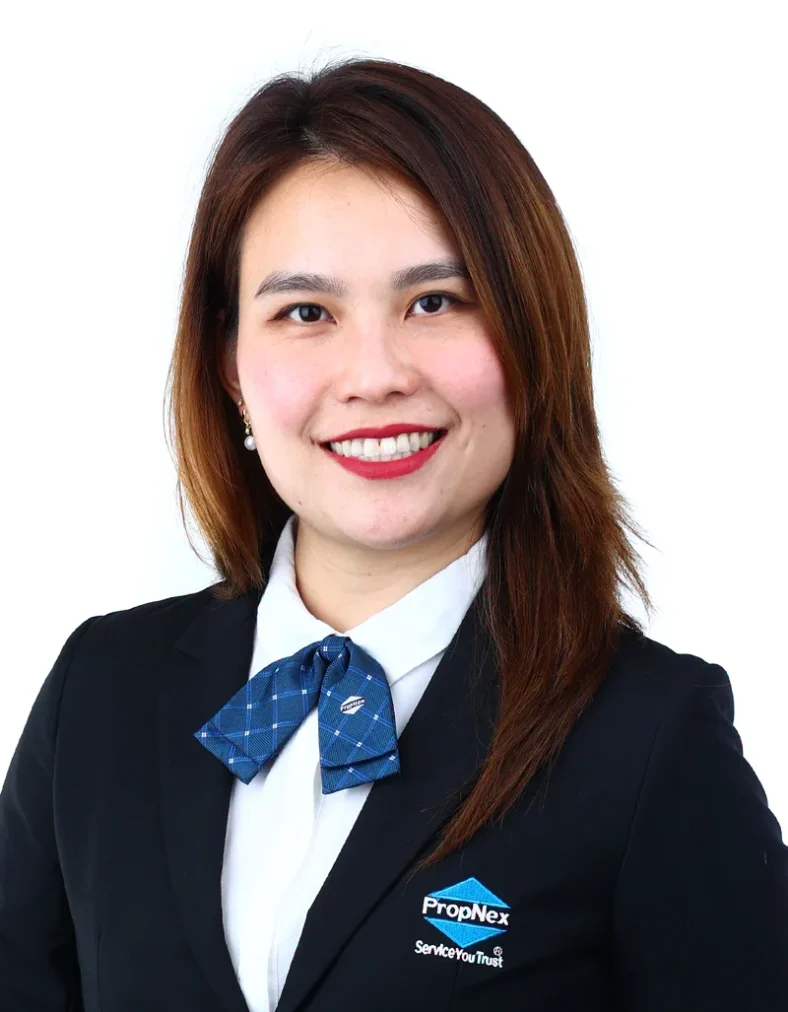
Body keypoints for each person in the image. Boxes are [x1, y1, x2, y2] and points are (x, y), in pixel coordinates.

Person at [1, 55, 786, 1012]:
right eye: (305, 312)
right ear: (232, 368)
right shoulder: (101, 690)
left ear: (532, 339)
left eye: (435, 302)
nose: (374, 375)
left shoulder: (649, 736)